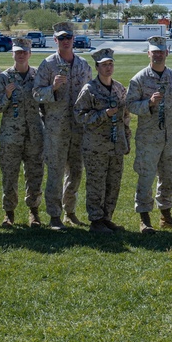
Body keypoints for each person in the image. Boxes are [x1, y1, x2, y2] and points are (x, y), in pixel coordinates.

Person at [126, 36, 172, 233]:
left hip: (170, 138)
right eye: (154, 51)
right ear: (148, 54)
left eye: (161, 51)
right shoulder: (139, 79)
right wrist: (149, 104)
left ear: (167, 53)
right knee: (146, 177)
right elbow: (130, 105)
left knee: (169, 177)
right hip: (148, 138)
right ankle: (144, 218)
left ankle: (166, 216)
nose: (158, 55)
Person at [33, 21, 93, 229]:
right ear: (55, 40)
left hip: (79, 128)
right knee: (56, 173)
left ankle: (70, 211)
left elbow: (90, 94)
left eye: (68, 38)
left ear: (73, 40)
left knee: (76, 171)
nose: (65, 41)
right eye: (61, 38)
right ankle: (54, 215)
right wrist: (52, 88)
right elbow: (36, 94)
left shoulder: (84, 65)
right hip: (56, 129)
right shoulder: (48, 65)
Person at [74, 48, 131, 233]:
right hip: (95, 146)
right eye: (104, 65)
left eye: (110, 64)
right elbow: (79, 116)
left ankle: (107, 218)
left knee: (113, 183)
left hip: (116, 145)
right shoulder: (89, 89)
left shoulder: (119, 88)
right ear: (97, 67)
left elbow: (126, 117)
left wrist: (126, 140)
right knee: (96, 183)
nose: (108, 68)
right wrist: (102, 115)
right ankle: (96, 220)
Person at [0, 37, 45, 228]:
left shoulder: (38, 76)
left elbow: (46, 103)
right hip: (10, 136)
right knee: (9, 175)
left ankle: (34, 213)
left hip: (34, 135)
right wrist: (6, 95)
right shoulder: (3, 78)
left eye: (24, 52)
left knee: (35, 174)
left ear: (30, 54)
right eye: (17, 52)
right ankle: (9, 213)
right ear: (12, 53)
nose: (21, 55)